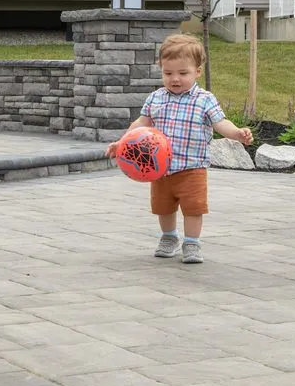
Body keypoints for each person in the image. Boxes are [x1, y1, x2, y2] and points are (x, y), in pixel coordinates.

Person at [106, 34, 253, 264]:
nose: (175, 79)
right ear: (161, 69)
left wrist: (237, 134)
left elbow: (220, 123)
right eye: (168, 73)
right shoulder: (155, 98)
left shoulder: (204, 99)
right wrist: (122, 142)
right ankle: (169, 238)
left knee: (193, 208)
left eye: (183, 73)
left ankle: (192, 243)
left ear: (197, 71)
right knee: (163, 207)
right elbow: (140, 124)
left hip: (192, 168)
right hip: (160, 169)